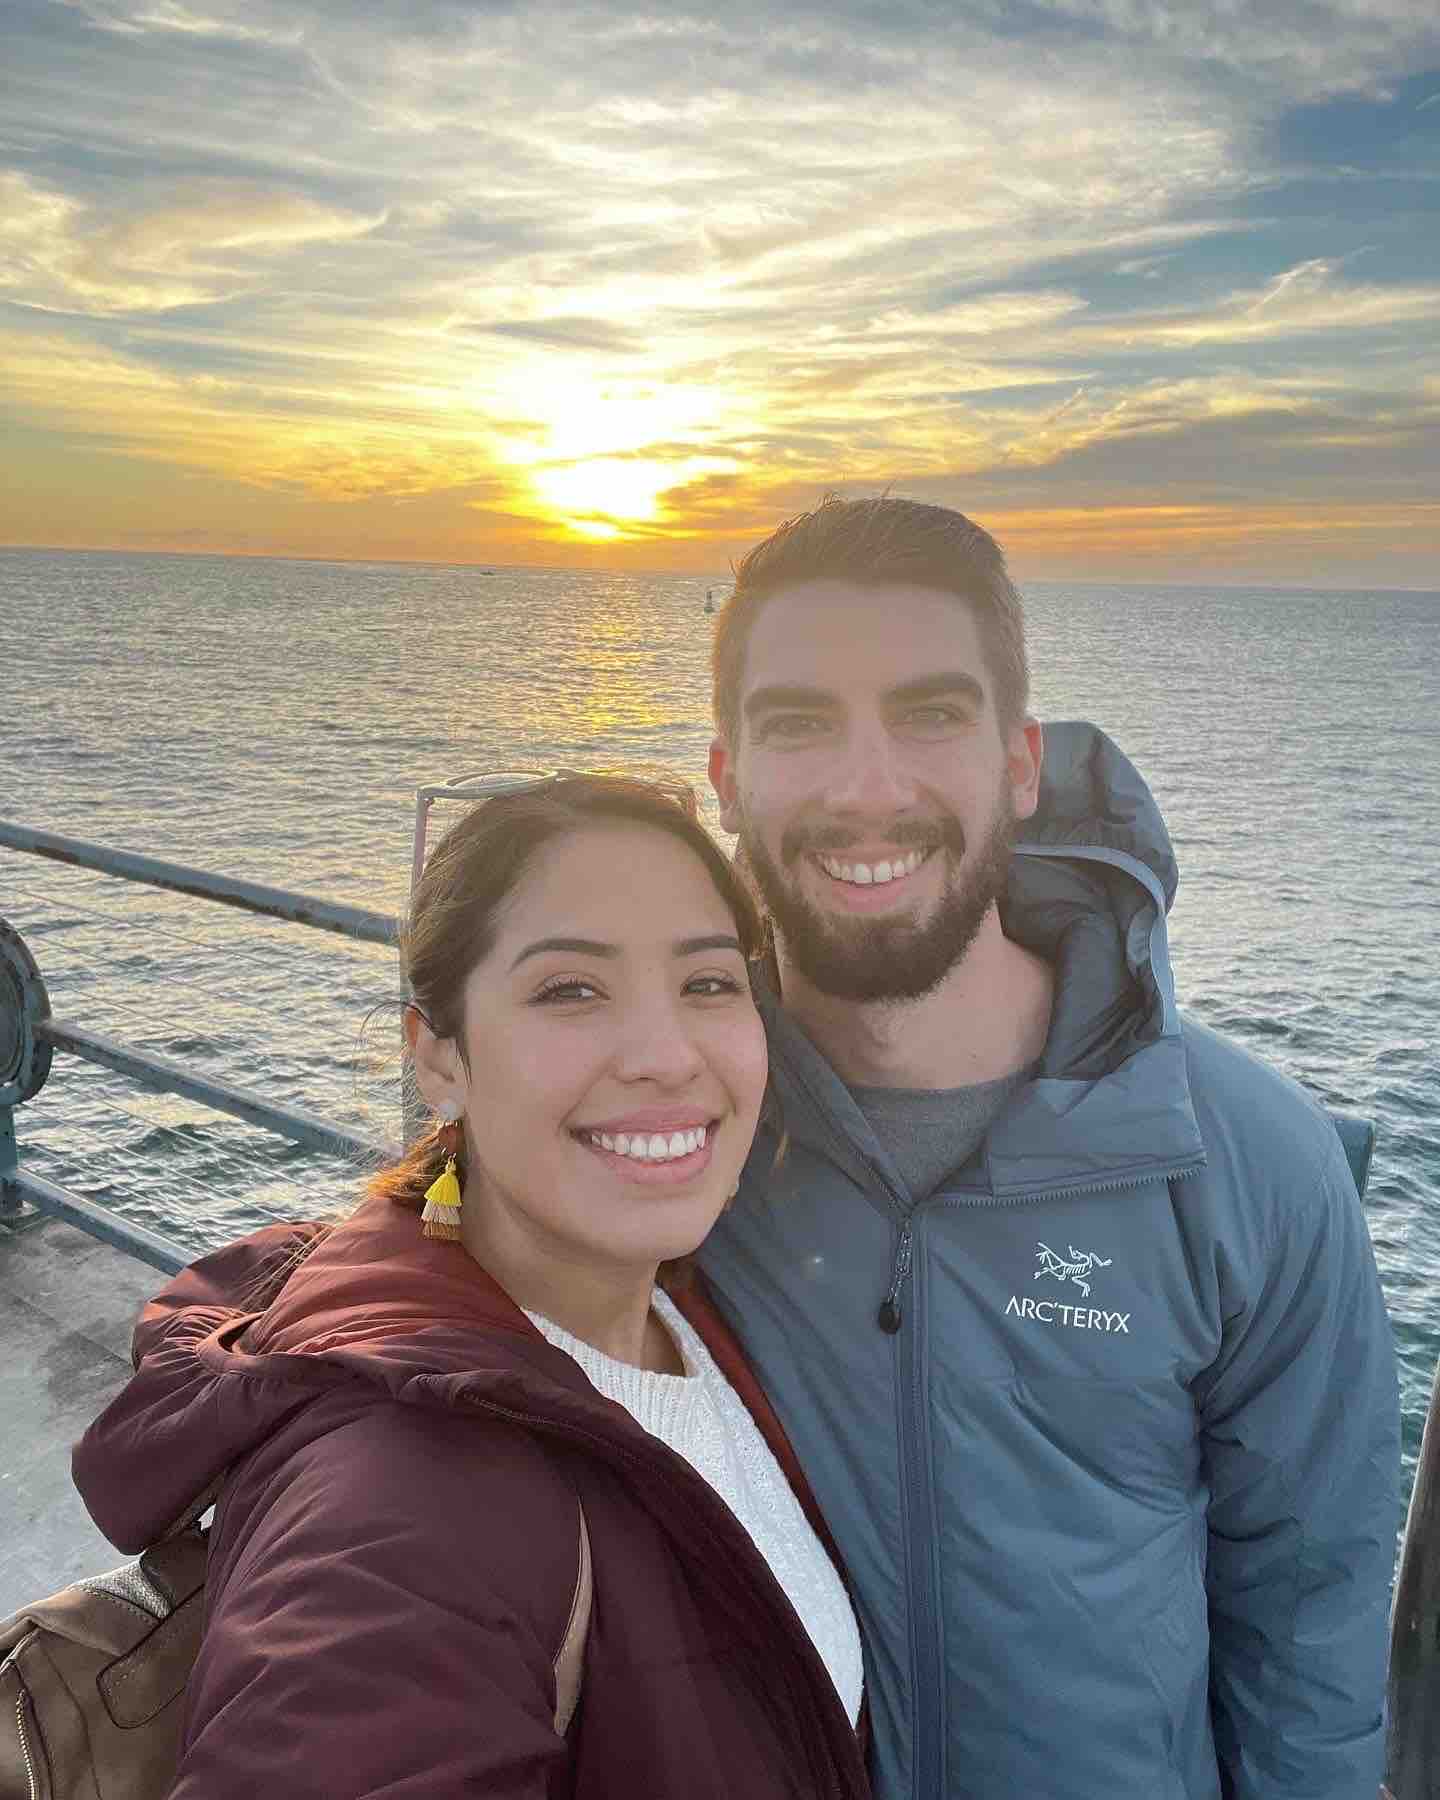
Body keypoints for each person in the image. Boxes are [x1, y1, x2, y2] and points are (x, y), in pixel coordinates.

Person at [700, 494, 1400, 1800]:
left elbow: (1309, 1619)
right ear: (727, 776)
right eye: (800, 723)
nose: (867, 788)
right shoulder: (669, 1133)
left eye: (929, 714)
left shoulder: (1246, 1164)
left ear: (1020, 766)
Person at [72, 775, 870, 1800]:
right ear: (439, 1059)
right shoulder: (398, 1506)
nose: (668, 1057)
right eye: (570, 990)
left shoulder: (691, 1299)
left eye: (709, 982)